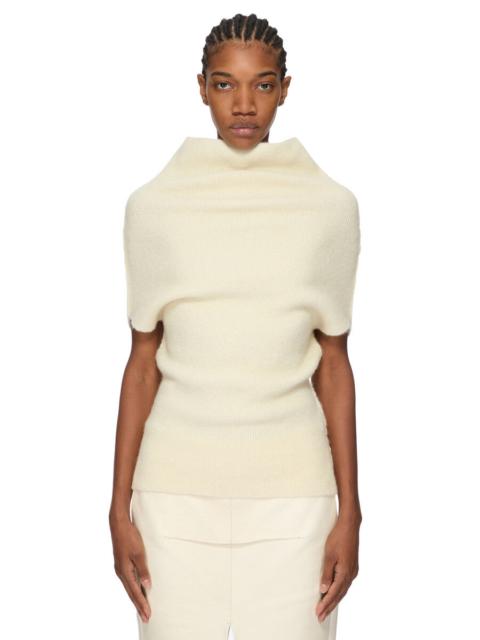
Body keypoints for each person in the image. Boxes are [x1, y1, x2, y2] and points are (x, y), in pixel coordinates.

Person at [109, 12, 362, 640]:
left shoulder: (330, 208)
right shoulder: (153, 207)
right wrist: (117, 508)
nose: (244, 104)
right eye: (225, 84)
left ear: (285, 89)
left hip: (295, 503)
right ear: (201, 88)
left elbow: (334, 364)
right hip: (171, 501)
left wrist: (351, 512)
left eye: (262, 84)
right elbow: (142, 362)